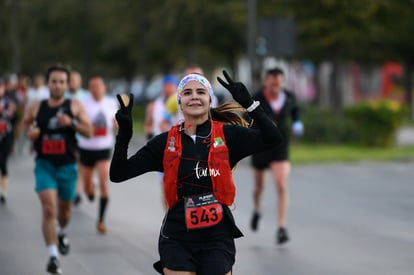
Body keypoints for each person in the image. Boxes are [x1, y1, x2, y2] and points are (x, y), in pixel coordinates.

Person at [110, 71, 282, 275]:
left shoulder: (229, 136)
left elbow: (273, 138)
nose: (194, 96)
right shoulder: (164, 143)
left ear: (209, 99)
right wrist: (124, 135)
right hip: (177, 236)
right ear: (179, 102)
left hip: (217, 238)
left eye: (201, 92)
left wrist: (250, 104)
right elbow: (118, 174)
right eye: (187, 92)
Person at [22, 64, 92, 275]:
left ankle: (61, 231)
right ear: (48, 83)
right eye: (54, 81)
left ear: (67, 84)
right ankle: (53, 257)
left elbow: (89, 131)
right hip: (45, 164)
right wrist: (30, 133)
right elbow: (26, 124)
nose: (58, 85)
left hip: (67, 166)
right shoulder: (37, 106)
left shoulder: (76, 106)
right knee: (49, 208)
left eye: (62, 81)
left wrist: (71, 123)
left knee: (65, 211)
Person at [249, 68, 304, 245]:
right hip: (260, 146)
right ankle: (257, 209)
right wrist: (260, 124)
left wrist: (297, 123)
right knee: (259, 186)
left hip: (280, 146)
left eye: (279, 84)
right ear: (266, 82)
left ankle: (281, 228)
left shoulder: (288, 96)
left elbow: (295, 111)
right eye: (272, 84)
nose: (275, 88)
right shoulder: (256, 98)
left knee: (281, 184)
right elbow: (246, 118)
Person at [77, 76, 118, 234]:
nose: (96, 89)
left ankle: (101, 220)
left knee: (104, 181)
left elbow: (115, 121)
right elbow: (79, 123)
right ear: (89, 89)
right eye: (93, 86)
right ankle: (89, 189)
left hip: (103, 148)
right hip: (86, 147)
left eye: (98, 86)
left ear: (103, 88)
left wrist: (117, 124)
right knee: (88, 190)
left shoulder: (110, 103)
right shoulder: (83, 104)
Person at [67, 70, 90, 206]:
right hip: (67, 136)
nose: (72, 83)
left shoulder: (86, 97)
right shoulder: (63, 97)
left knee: (79, 165)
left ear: (80, 83)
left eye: (75, 81)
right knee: (70, 165)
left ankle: (77, 192)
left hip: (81, 136)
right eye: (70, 81)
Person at [0, 78, 17, 204]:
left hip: (5, 137)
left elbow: (11, 117)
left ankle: (4, 192)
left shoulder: (9, 102)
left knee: (3, 162)